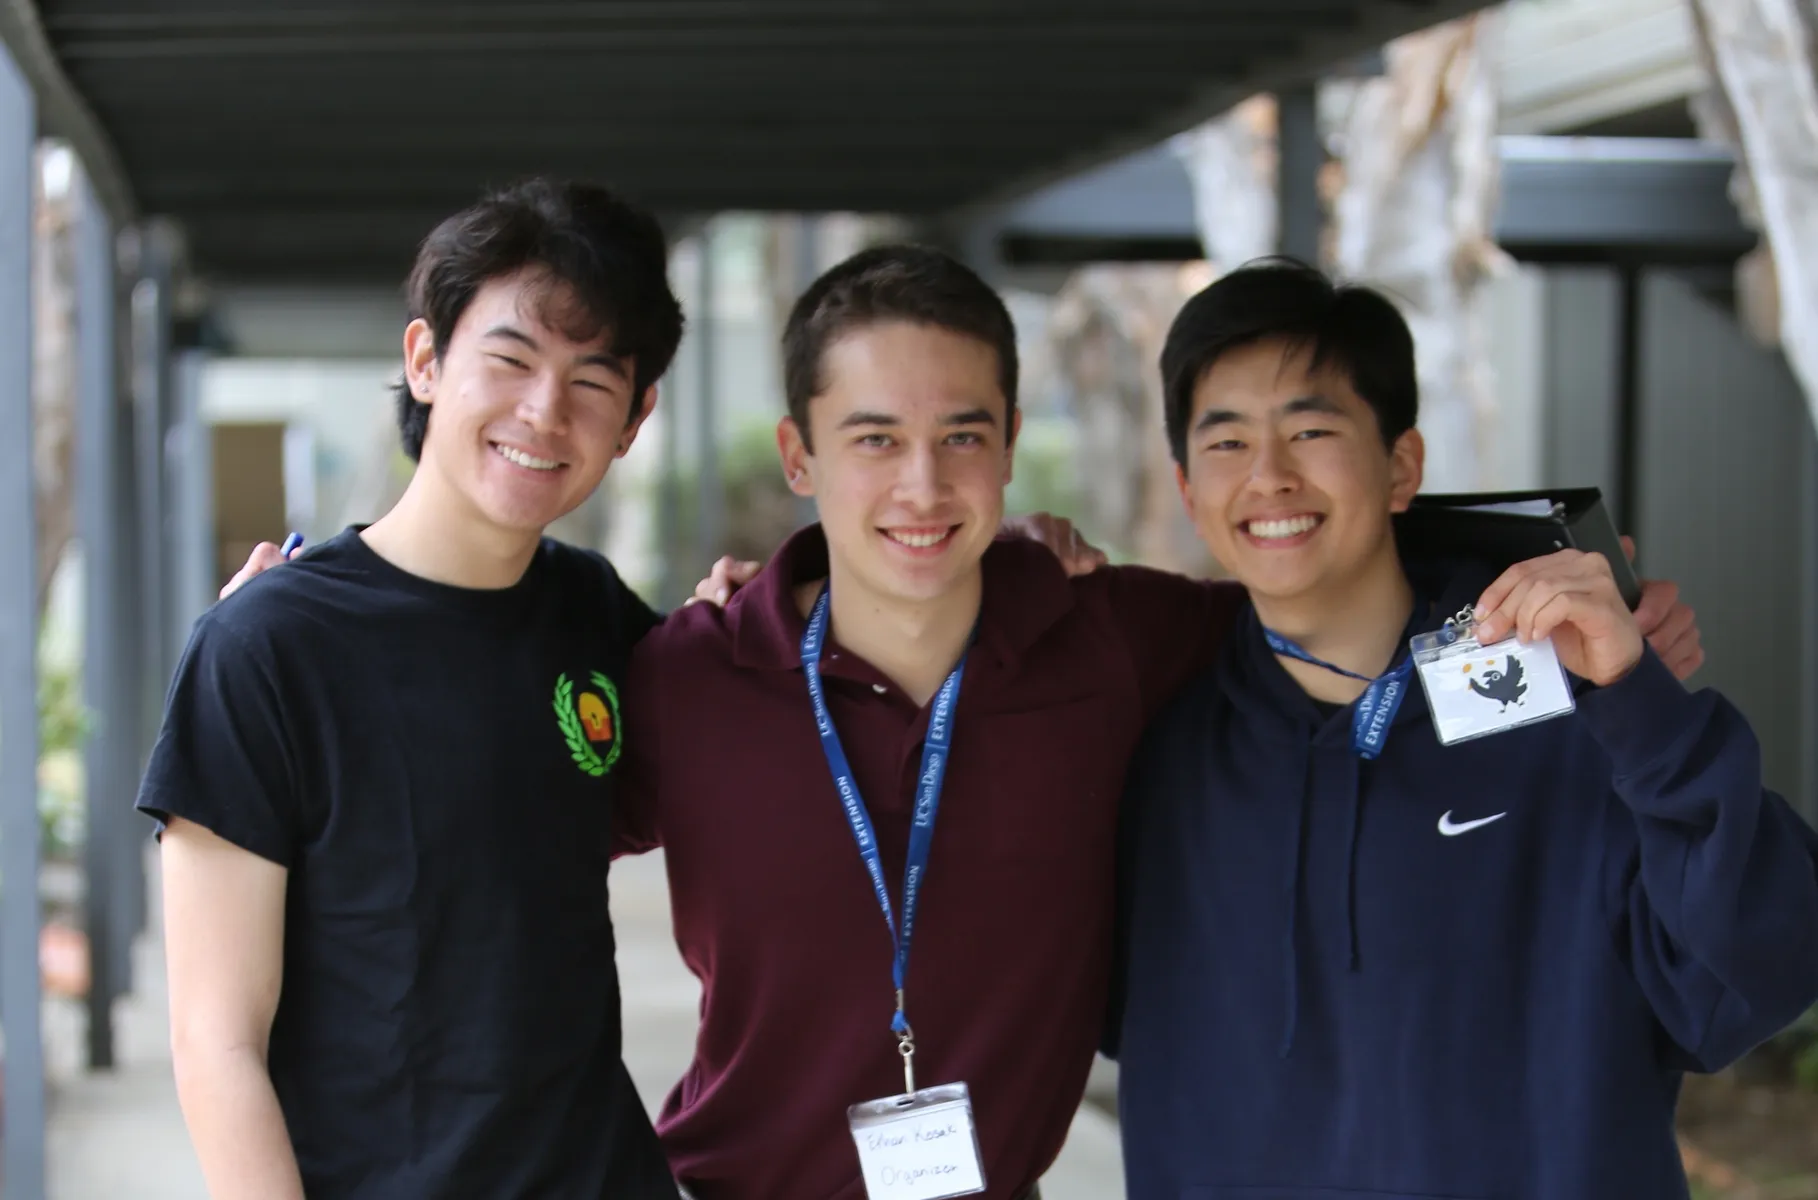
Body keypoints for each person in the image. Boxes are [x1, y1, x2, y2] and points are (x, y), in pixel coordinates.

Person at [614, 246, 1703, 1200]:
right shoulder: (688, 676)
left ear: (1010, 442)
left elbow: (1314, 568)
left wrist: (1561, 594)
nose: (922, 485)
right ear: (799, 456)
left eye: (962, 436)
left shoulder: (1111, 641)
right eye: (873, 440)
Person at [1109, 258, 1818, 1200]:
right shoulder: (1146, 744)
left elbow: (1763, 970)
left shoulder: (1577, 706)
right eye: (1227, 443)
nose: (1269, 478)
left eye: (1311, 430)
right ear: (1188, 490)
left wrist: (1645, 709)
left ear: (1403, 465)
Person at [137, 179, 687, 1199]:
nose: (543, 411)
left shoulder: (595, 612)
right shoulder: (267, 647)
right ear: (426, 360)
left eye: (592, 380)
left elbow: (764, 734)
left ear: (637, 415)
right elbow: (215, 1042)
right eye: (510, 359)